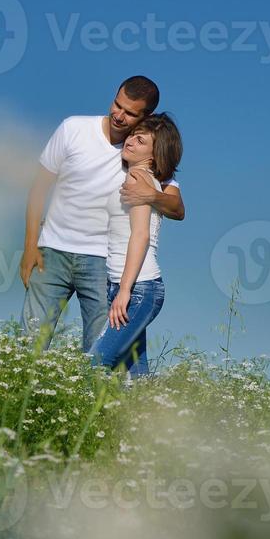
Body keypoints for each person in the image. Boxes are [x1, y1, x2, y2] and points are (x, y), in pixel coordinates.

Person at [20, 77, 185, 350]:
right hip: (51, 252)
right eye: (117, 105)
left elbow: (177, 208)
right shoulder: (73, 128)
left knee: (98, 351)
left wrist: (151, 195)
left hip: (102, 264)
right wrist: (29, 246)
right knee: (30, 341)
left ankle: (95, 394)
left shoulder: (141, 152)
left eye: (130, 113)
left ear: (146, 116)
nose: (119, 115)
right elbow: (38, 187)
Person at [90, 113, 182, 378]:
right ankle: (146, 417)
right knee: (136, 374)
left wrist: (125, 290)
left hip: (138, 287)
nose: (130, 141)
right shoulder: (133, 177)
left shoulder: (138, 179)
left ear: (153, 157)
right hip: (127, 285)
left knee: (95, 364)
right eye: (133, 135)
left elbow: (140, 235)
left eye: (141, 141)